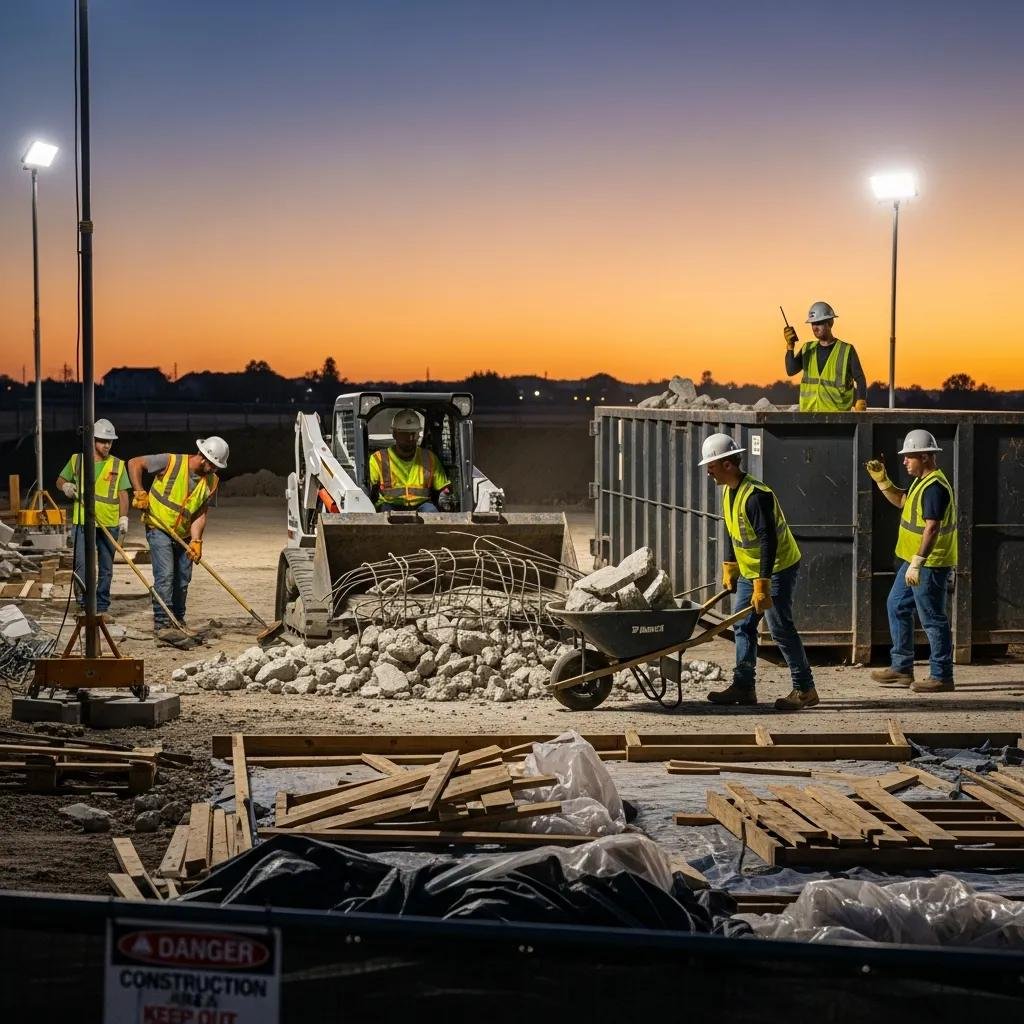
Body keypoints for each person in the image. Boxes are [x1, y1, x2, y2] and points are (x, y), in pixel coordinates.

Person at [699, 432, 818, 711]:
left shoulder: (756, 496)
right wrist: (731, 566)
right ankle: (744, 686)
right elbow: (733, 531)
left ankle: (805, 689)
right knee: (743, 625)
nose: (708, 472)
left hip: (777, 568)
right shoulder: (729, 491)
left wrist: (763, 585)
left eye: (711, 466)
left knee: (780, 628)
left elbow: (768, 541)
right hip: (751, 570)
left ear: (728, 464)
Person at [865, 429, 957, 693]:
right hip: (913, 561)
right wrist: (883, 481)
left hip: (929, 563)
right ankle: (902, 668)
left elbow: (932, 528)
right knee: (896, 605)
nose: (904, 461)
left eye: (909, 457)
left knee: (932, 618)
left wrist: (918, 562)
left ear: (925, 457)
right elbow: (902, 501)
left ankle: (942, 676)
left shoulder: (935, 487)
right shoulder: (920, 482)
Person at [127, 437, 228, 640]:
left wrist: (196, 541)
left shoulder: (212, 481)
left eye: (217, 467)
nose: (214, 470)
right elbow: (134, 463)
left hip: (184, 533)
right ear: (202, 457)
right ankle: (162, 625)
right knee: (165, 576)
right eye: (213, 465)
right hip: (159, 526)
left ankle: (178, 621)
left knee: (182, 579)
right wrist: (139, 491)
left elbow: (200, 513)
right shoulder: (171, 461)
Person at [55, 418, 130, 619]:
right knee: (81, 565)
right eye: (103, 441)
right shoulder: (77, 460)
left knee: (106, 568)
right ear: (92, 440)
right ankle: (83, 605)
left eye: (110, 442)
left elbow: (123, 494)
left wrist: (123, 517)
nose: (107, 445)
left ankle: (102, 606)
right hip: (82, 522)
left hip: (109, 522)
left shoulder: (117, 464)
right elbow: (60, 480)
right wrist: (65, 486)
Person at [784, 301, 868, 412]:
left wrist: (861, 400)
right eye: (813, 324)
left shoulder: (846, 350)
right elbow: (791, 370)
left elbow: (860, 379)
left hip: (837, 417)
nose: (815, 327)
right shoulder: (807, 348)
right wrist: (790, 347)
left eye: (819, 323)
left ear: (830, 322)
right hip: (809, 415)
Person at [369, 408, 451, 511]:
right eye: (405, 434)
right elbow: (368, 488)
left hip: (422, 505)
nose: (410, 438)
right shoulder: (378, 459)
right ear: (394, 434)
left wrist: (444, 498)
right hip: (390, 504)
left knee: (431, 511)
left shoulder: (429, 458)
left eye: (414, 434)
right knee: (385, 513)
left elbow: (443, 488)